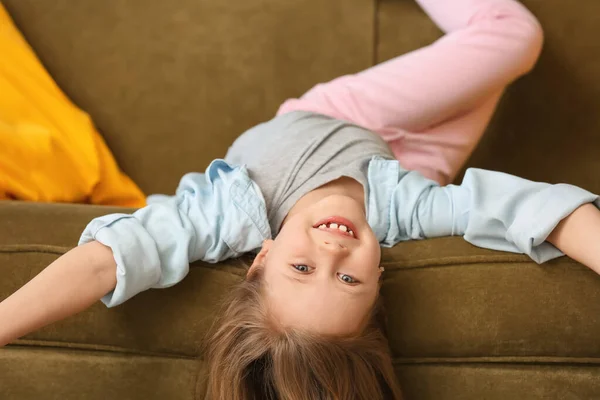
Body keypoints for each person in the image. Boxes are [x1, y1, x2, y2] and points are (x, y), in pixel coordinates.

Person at [2, 0, 599, 399]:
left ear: (260, 258)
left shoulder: (229, 210)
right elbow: (543, 211)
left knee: (511, 35)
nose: (334, 249)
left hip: (337, 122)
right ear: (380, 281)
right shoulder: (403, 213)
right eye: (347, 282)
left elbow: (106, 260)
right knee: (508, 45)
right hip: (405, 169)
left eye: (303, 267)